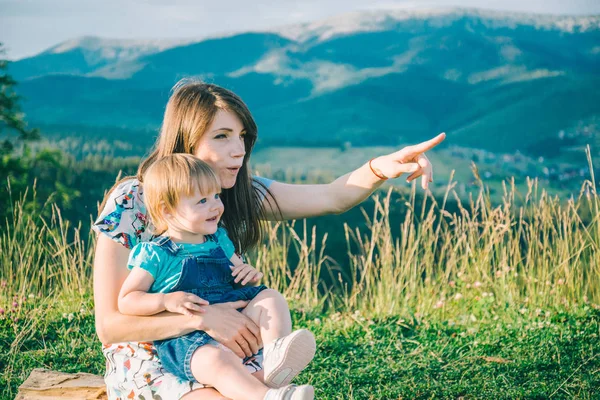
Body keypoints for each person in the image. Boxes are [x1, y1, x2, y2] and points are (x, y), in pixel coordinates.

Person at [93, 78, 445, 399]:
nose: (239, 150)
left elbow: (332, 197)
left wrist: (382, 167)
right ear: (186, 139)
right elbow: (110, 326)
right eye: (222, 136)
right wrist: (200, 319)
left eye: (242, 136)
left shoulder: (236, 192)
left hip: (229, 346)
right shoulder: (133, 200)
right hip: (154, 354)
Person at [117, 153, 316, 400]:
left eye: (216, 196)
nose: (215, 206)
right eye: (202, 201)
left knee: (271, 298)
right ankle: (267, 396)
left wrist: (248, 275)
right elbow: (127, 299)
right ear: (167, 212)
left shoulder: (218, 240)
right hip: (189, 341)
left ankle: (275, 355)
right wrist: (166, 301)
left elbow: (238, 274)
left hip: (233, 318)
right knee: (217, 361)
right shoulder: (156, 253)